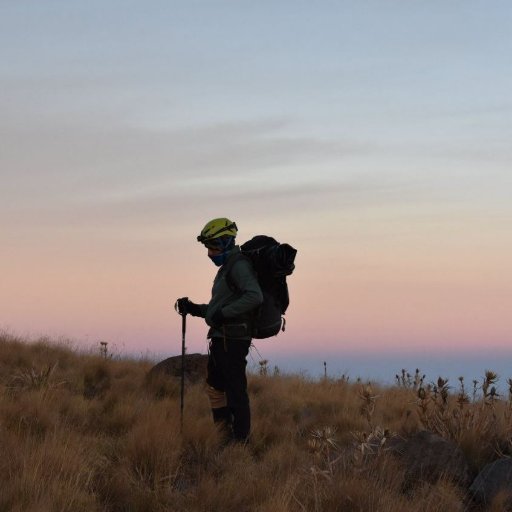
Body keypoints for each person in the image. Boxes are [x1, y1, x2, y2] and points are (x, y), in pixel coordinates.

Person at [176, 218, 263, 443]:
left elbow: (255, 296)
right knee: (216, 388)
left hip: (233, 339)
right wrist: (194, 308)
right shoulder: (227, 268)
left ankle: (240, 444)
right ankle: (223, 437)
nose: (209, 253)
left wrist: (224, 314)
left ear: (227, 242)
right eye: (208, 247)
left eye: (213, 246)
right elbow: (218, 308)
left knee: (235, 392)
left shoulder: (239, 265)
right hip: (221, 338)